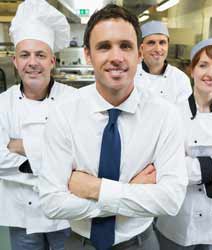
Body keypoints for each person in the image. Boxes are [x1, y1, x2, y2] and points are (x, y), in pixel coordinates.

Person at [38, 4, 188, 250]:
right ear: (88, 55)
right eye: (104, 46)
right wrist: (131, 191)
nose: (116, 57)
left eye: (125, 46)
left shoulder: (164, 115)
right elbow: (53, 203)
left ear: (139, 54)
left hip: (140, 242)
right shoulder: (64, 113)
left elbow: (170, 200)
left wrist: (94, 189)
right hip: (80, 243)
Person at [154, 38, 212, 250]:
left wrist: (191, 166)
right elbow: (168, 169)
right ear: (192, 70)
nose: (211, 73)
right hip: (179, 217)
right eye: (203, 65)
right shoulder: (172, 113)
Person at [0, 0, 76, 249]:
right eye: (25, 55)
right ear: (15, 62)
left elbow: (82, 156)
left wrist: (19, 146)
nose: (32, 62)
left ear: (52, 61)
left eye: (40, 55)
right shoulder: (3, 103)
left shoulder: (74, 101)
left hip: (67, 216)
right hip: (21, 215)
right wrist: (53, 157)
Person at [134, 20, 192, 104]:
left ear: (168, 46)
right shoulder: (131, 75)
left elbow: (184, 114)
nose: (158, 49)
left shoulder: (180, 79)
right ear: (141, 47)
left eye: (162, 43)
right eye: (151, 43)